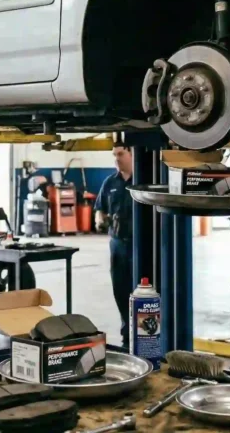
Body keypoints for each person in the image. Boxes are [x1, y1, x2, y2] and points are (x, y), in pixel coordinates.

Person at [95, 143, 134, 349]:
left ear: (131, 154)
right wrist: (100, 220)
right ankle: (127, 334)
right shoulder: (110, 182)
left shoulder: (146, 180)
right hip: (117, 245)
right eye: (114, 155)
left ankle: (145, 332)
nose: (117, 159)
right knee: (120, 289)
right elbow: (99, 209)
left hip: (141, 244)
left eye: (120, 154)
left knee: (143, 289)